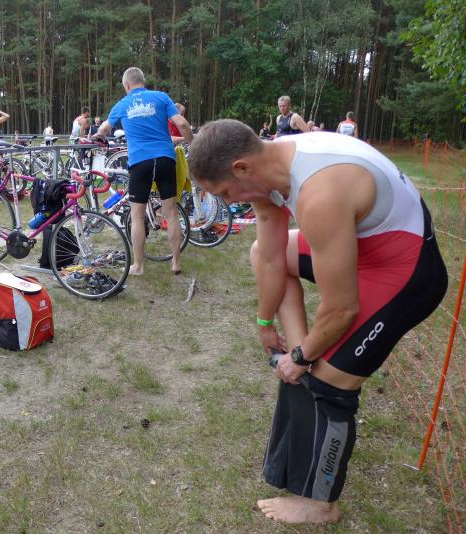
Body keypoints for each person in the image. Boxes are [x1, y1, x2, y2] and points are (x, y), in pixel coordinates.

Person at [187, 119, 448, 525]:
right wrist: (265, 322)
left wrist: (304, 358)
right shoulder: (269, 167)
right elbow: (271, 256)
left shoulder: (318, 193)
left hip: (405, 270)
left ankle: (321, 504)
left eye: (223, 193)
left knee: (329, 381)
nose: (227, 202)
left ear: (241, 168)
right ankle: (304, 363)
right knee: (261, 254)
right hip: (364, 244)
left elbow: (341, 307)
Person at [95, 67, 193, 276]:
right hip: (166, 159)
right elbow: (182, 123)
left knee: (137, 216)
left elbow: (103, 129)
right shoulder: (161, 97)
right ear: (143, 81)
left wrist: (97, 136)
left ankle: (138, 265)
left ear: (126, 84)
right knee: (171, 212)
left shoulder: (122, 104)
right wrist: (193, 143)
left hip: (140, 161)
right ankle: (176, 262)